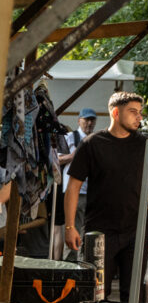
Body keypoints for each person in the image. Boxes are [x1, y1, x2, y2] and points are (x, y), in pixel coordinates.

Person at [64, 92, 148, 300]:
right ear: (115, 113)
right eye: (133, 112)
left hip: (136, 230)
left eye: (140, 112)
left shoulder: (146, 145)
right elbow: (73, 186)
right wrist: (69, 226)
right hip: (99, 230)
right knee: (95, 293)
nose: (139, 117)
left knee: (133, 295)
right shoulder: (92, 144)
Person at [56, 108, 97, 257]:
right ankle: (71, 263)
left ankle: (84, 261)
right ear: (79, 120)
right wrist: (73, 157)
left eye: (92, 120)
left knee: (89, 230)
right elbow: (56, 160)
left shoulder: (97, 140)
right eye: (86, 120)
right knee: (72, 227)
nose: (89, 123)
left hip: (92, 192)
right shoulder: (69, 137)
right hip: (74, 192)